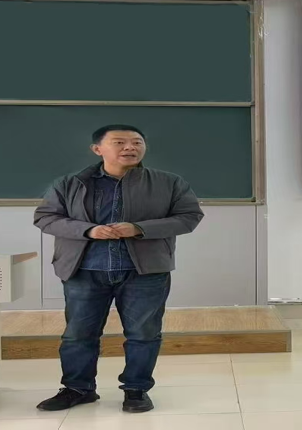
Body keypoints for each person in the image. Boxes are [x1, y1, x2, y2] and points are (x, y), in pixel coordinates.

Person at [32, 124, 204, 413]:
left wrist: (139, 228)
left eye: (137, 142)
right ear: (97, 149)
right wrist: (88, 231)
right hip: (84, 269)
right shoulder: (70, 183)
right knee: (78, 334)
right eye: (119, 142)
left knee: (143, 334)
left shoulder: (168, 182)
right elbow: (45, 218)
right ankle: (78, 388)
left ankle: (136, 390)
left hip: (145, 271)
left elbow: (189, 216)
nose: (130, 147)